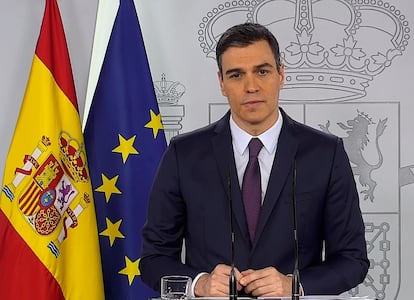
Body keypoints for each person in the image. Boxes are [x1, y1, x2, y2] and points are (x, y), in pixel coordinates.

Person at [139, 23, 369, 297]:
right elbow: (153, 259)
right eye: (236, 75)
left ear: (281, 74)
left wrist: (292, 285)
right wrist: (200, 282)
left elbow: (352, 259)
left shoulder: (325, 153)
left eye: (262, 71)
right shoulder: (183, 154)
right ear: (222, 83)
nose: (251, 86)